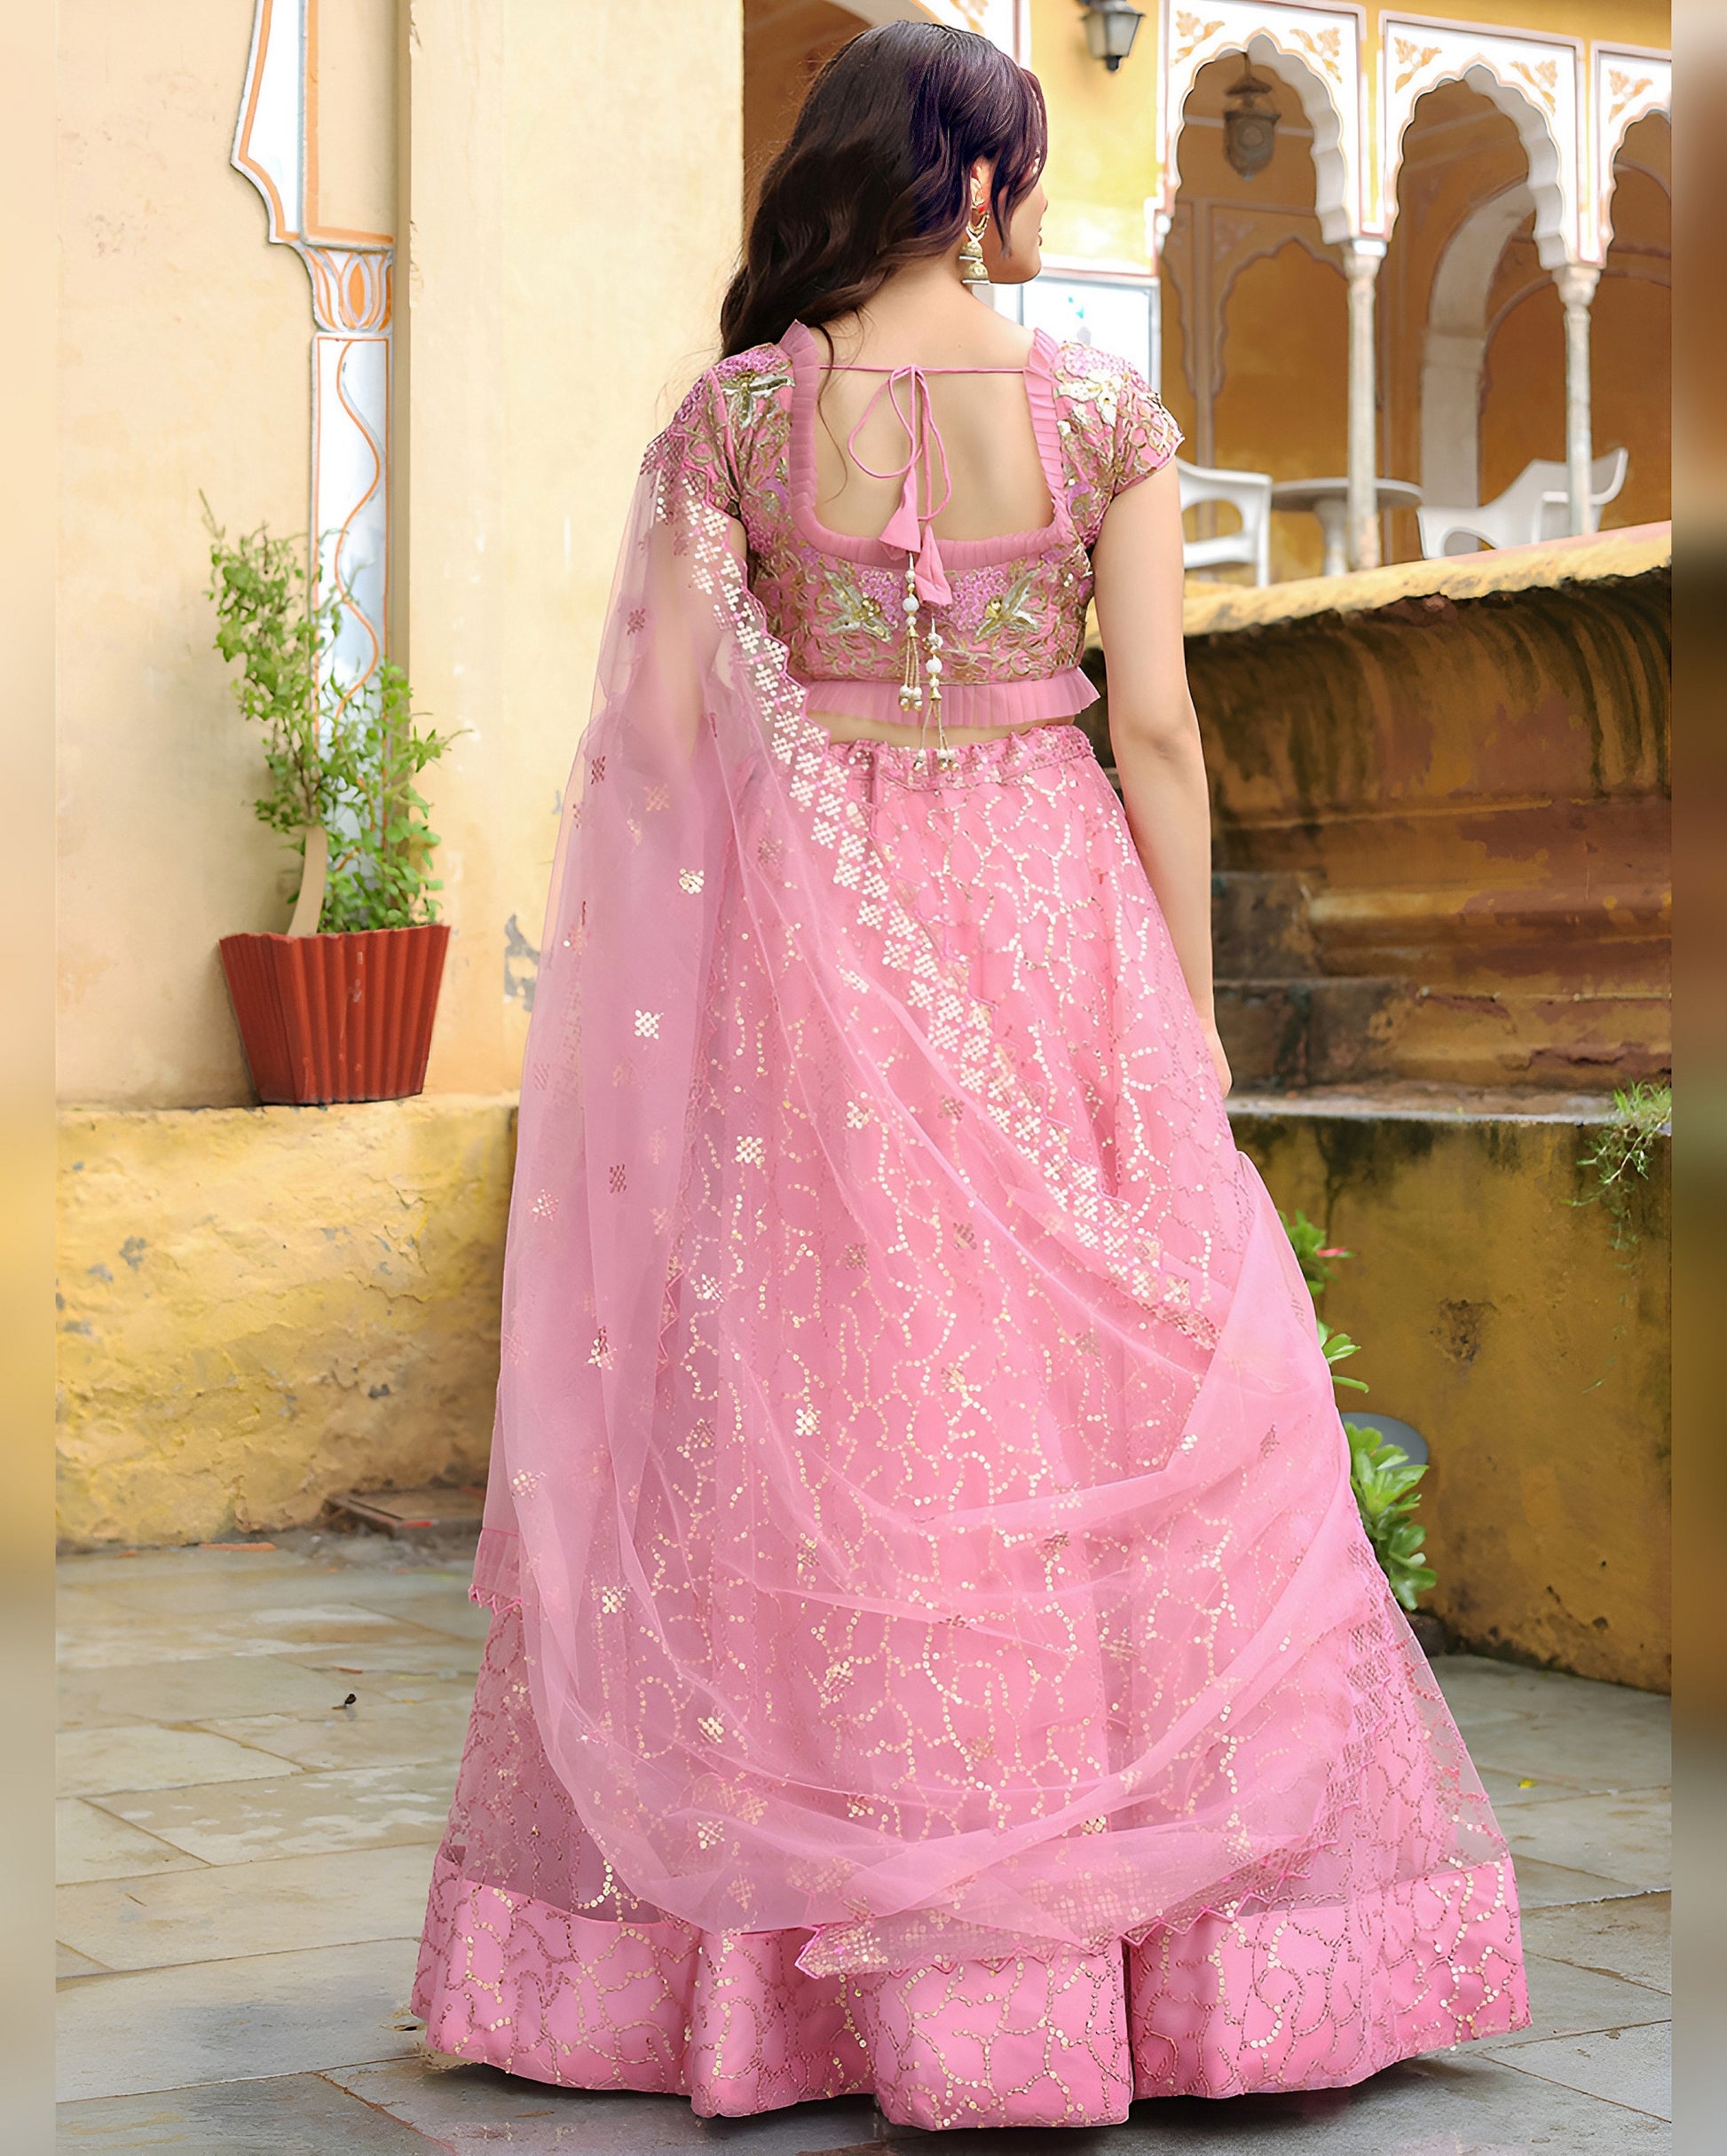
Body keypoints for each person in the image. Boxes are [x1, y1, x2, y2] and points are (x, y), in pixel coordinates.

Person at [413, 21, 1527, 2132]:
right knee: (1081, 1395)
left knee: (825, 1397)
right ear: (980, 180)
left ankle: (777, 1998)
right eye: (1019, 171)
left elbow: (652, 750)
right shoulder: (1102, 412)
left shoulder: (737, 419)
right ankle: (1161, 1986)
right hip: (1055, 927)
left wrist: (789, 861)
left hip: (818, 974)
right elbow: (1163, 733)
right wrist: (1190, 1013)